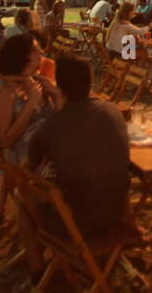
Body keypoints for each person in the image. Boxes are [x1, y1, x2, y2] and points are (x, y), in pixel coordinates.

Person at [25, 55, 133, 238]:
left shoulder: (51, 126)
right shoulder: (112, 110)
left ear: (59, 87)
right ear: (90, 83)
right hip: (117, 213)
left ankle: (36, 264)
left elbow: (26, 169)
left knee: (23, 196)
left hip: (78, 225)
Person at [0, 34, 62, 168]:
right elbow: (6, 141)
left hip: (50, 152)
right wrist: (31, 104)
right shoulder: (6, 92)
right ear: (21, 56)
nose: (41, 52)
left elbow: (56, 124)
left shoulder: (37, 82)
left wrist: (56, 97)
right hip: (28, 161)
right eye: (35, 50)